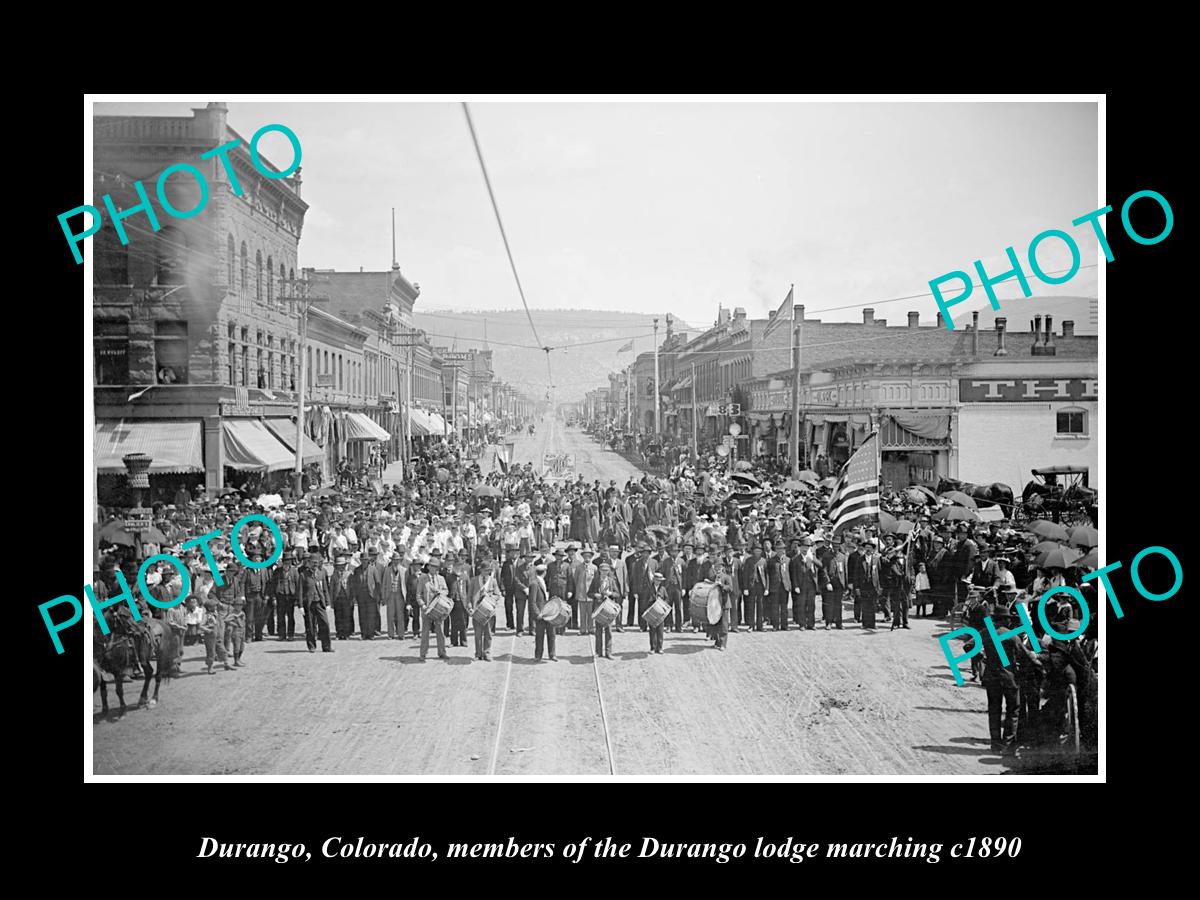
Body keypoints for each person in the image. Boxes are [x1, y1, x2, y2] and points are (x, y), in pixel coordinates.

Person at [419, 550, 450, 661]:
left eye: (435, 567)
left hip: (438, 609)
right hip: (426, 609)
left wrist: (440, 593)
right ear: (428, 567)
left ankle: (442, 652)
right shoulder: (422, 579)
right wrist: (422, 605)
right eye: (432, 566)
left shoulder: (441, 579)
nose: (433, 569)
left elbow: (446, 591)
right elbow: (418, 595)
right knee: (425, 632)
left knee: (440, 632)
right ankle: (423, 653)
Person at [299, 552, 333, 653]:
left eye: (317, 562)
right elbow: (300, 591)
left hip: (319, 602)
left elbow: (325, 589)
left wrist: (327, 603)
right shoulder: (303, 575)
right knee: (310, 626)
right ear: (308, 562)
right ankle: (312, 646)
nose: (315, 564)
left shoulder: (321, 573)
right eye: (313, 562)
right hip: (308, 604)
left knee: (325, 624)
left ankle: (326, 646)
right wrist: (300, 606)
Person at [589, 556, 621, 659]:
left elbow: (617, 594)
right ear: (599, 570)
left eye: (606, 570)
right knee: (598, 631)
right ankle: (598, 652)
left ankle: (608, 652)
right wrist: (595, 595)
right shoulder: (595, 580)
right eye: (603, 570)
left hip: (609, 608)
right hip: (598, 608)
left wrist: (610, 593)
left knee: (609, 631)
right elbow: (589, 593)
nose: (604, 572)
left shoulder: (611, 581)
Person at [531, 561, 557, 662]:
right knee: (539, 636)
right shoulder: (534, 583)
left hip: (548, 612)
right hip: (541, 614)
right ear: (544, 572)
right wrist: (537, 614)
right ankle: (538, 656)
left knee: (552, 634)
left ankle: (552, 654)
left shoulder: (542, 581)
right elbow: (532, 601)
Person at [575, 547, 597, 636]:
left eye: (588, 556)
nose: (587, 558)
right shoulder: (579, 567)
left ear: (591, 557)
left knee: (591, 613)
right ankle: (583, 629)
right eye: (585, 556)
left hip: (591, 595)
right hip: (582, 594)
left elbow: (596, 581)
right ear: (583, 557)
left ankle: (591, 628)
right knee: (582, 613)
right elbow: (575, 579)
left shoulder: (594, 568)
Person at [647, 571, 668, 653]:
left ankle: (660, 648)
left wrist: (663, 603)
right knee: (652, 630)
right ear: (654, 580)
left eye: (660, 580)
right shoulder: (649, 588)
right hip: (652, 611)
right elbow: (645, 599)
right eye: (657, 580)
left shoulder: (663, 589)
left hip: (660, 611)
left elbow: (667, 598)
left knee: (660, 630)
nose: (658, 582)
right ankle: (652, 647)